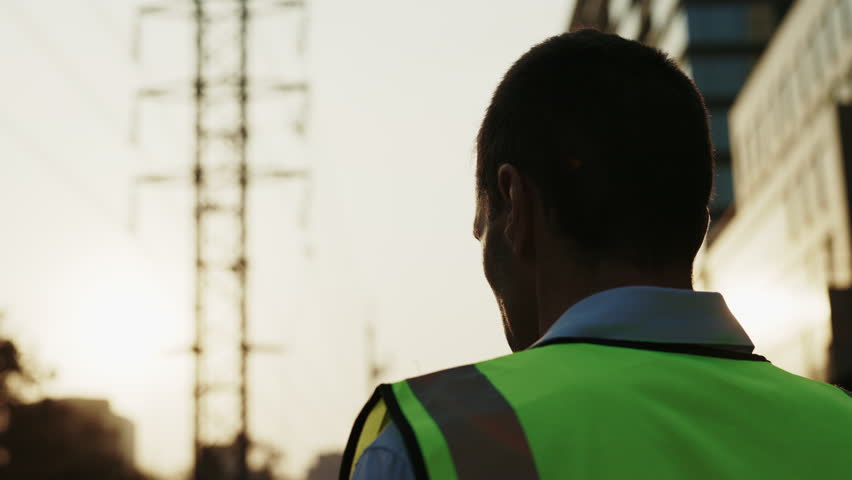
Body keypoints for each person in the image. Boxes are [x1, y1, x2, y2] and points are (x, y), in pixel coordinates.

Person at [339, 29, 852, 480]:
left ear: (515, 205)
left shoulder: (432, 445)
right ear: (701, 222)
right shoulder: (838, 426)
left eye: (483, 229)